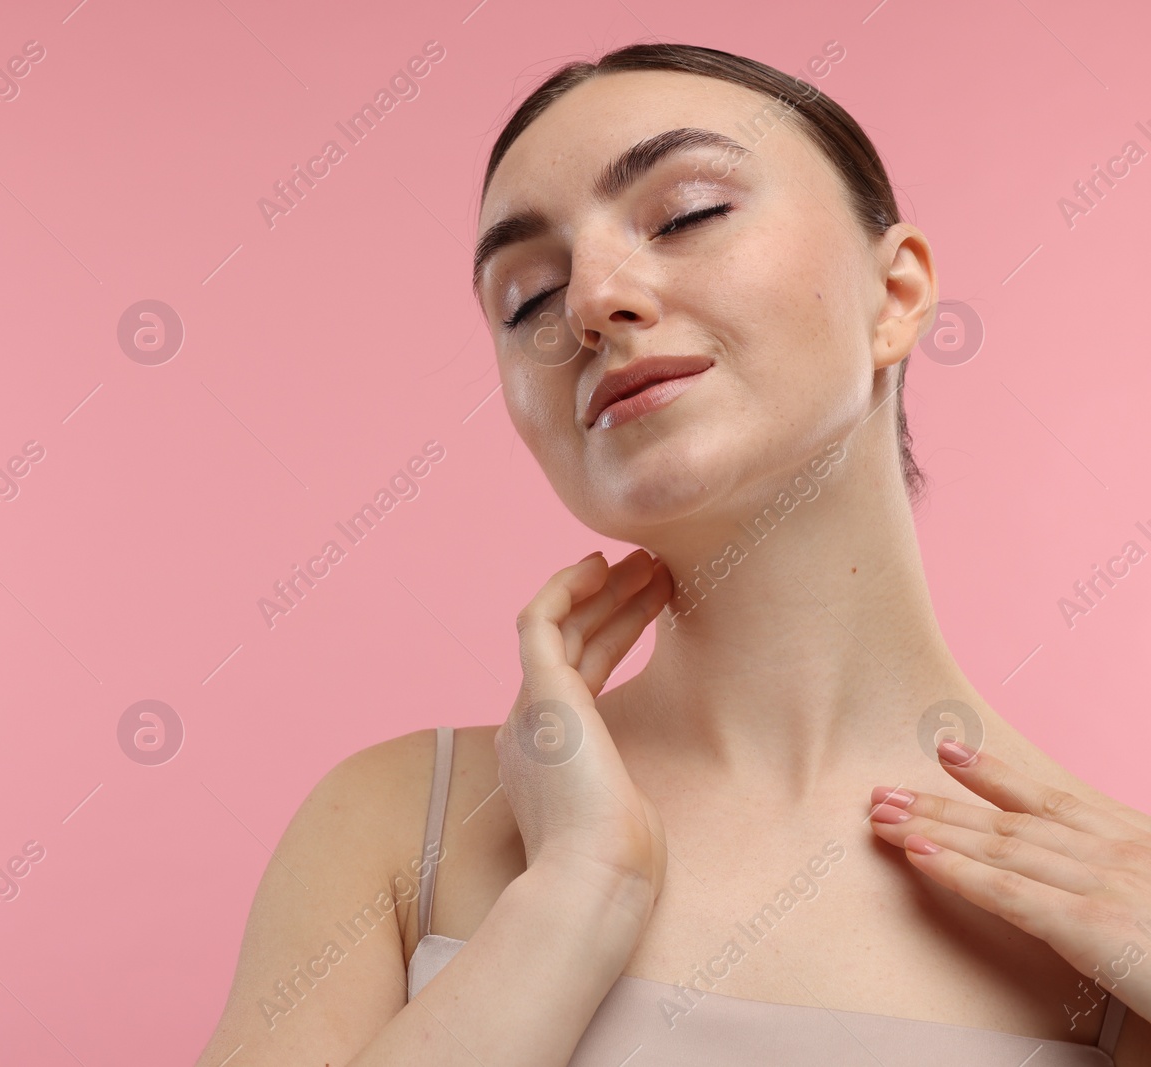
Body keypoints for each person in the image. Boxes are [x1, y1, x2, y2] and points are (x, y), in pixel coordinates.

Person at [195, 42, 1151, 1065]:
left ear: (898, 291)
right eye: (525, 297)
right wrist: (576, 891)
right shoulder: (395, 827)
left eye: (687, 212)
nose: (588, 302)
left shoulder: (1103, 903)